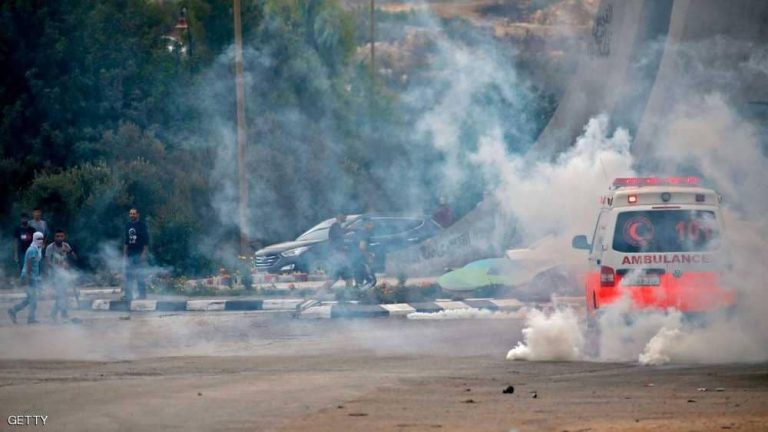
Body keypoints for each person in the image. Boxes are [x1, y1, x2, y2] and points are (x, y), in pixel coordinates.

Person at [8, 232, 44, 324]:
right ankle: (30, 318)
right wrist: (28, 279)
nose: (40, 240)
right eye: (38, 238)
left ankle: (13, 310)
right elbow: (29, 266)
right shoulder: (32, 250)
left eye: (41, 238)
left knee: (30, 299)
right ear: (34, 239)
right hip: (29, 276)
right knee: (33, 299)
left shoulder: (37, 249)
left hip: (33, 277)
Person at [46, 229, 78, 321]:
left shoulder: (66, 245)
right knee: (61, 294)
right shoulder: (50, 247)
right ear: (54, 237)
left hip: (64, 274)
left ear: (64, 237)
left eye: (61, 236)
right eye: (57, 236)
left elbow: (75, 258)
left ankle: (57, 313)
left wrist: (70, 251)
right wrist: (59, 266)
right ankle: (62, 313)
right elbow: (48, 262)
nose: (59, 238)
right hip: (54, 274)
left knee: (63, 294)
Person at [317, 213, 352, 294]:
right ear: (338, 216)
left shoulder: (337, 227)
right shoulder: (335, 227)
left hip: (338, 256)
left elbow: (339, 236)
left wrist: (349, 230)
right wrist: (343, 250)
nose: (346, 217)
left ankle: (320, 294)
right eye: (344, 215)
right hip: (338, 257)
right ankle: (349, 294)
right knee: (345, 277)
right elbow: (337, 242)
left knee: (339, 278)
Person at [123, 208, 149, 301]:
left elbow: (146, 240)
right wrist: (125, 254)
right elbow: (126, 240)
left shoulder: (142, 225)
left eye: (134, 213)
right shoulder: (128, 225)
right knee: (128, 275)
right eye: (130, 213)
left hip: (139, 253)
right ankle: (128, 295)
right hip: (130, 254)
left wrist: (144, 253)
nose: (132, 215)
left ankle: (142, 295)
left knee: (140, 275)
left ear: (138, 215)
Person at [352, 220, 377, 289]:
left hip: (355, 261)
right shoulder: (364, 233)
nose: (373, 226)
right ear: (366, 224)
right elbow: (362, 247)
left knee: (359, 284)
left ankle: (355, 294)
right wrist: (369, 256)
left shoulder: (358, 232)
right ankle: (360, 292)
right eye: (371, 224)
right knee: (372, 281)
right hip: (362, 261)